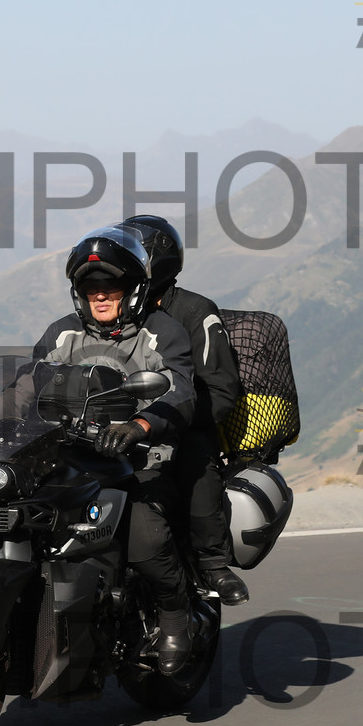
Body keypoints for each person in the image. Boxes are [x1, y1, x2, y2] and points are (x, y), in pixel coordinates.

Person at [32, 225, 198, 674]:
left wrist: (140, 425)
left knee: (145, 538)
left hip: (141, 459)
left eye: (111, 286)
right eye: (91, 288)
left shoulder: (160, 332)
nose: (101, 296)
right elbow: (28, 382)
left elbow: (181, 390)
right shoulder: (62, 334)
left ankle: (175, 616)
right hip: (73, 458)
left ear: (133, 289)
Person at [122, 214, 250, 604]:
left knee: (194, 456)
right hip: (122, 425)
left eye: (135, 253)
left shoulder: (196, 311)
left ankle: (212, 562)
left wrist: (170, 419)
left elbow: (221, 389)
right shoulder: (123, 309)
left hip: (183, 420)